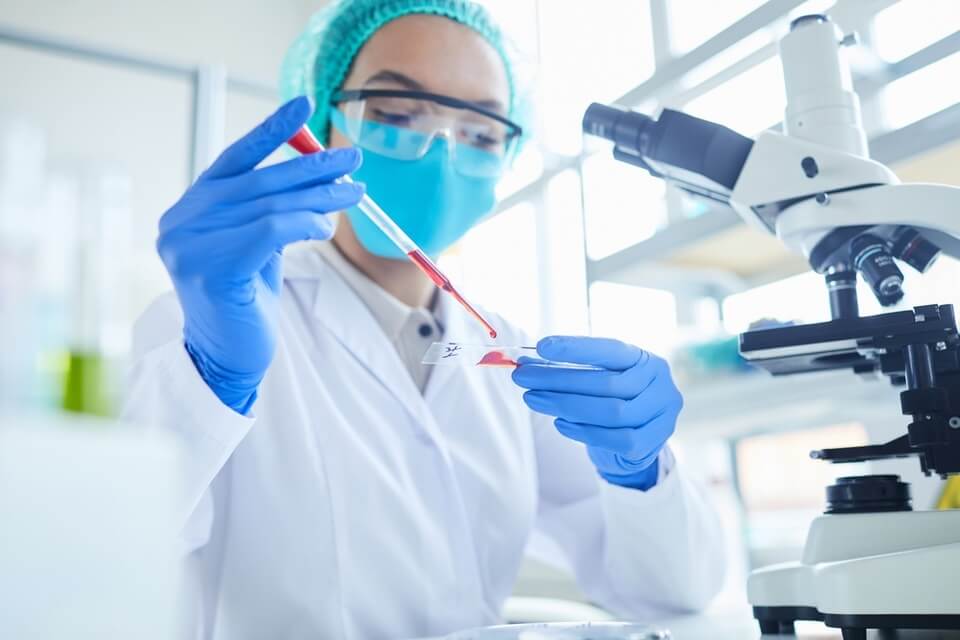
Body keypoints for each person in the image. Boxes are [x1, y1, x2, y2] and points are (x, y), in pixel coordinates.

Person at [124, 1, 725, 638]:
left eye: (480, 131)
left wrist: (641, 472)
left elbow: (675, 591)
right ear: (327, 128)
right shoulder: (211, 322)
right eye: (396, 112)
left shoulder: (507, 353)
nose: (440, 150)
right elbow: (103, 551)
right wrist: (210, 383)